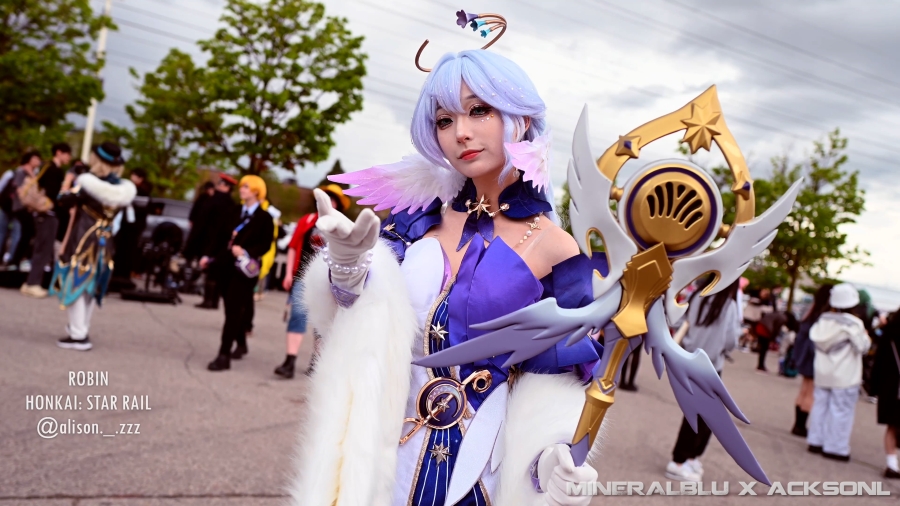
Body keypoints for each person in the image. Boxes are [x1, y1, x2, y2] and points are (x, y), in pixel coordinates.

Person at [288, 40, 604, 505]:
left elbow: (556, 384)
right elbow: (351, 320)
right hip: (381, 456)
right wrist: (345, 270)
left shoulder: (555, 246)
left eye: (479, 111)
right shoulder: (415, 221)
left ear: (520, 119)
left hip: (477, 471)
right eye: (444, 120)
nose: (461, 133)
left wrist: (554, 455)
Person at [50, 142, 136, 350]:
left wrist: (69, 179)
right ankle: (81, 328)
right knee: (92, 286)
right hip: (105, 241)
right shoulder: (122, 189)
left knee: (76, 283)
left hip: (84, 239)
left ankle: (78, 334)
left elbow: (62, 199)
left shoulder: (88, 185)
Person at [665, 278, 741, 482]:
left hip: (690, 360)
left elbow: (677, 322)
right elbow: (731, 340)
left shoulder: (696, 297)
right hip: (712, 366)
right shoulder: (729, 305)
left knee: (699, 413)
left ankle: (688, 457)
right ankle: (679, 461)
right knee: (705, 416)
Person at [274, 184, 348, 379]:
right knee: (297, 315)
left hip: (328, 280)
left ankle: (317, 361)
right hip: (303, 276)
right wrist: (288, 274)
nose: (327, 202)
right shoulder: (307, 220)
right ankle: (290, 360)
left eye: (332, 199)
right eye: (325, 197)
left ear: (338, 204)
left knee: (321, 321)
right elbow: (293, 247)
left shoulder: (342, 225)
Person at [206, 175, 274, 371]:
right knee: (230, 309)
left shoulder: (265, 218)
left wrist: (246, 251)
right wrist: (209, 256)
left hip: (245, 270)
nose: (241, 190)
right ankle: (241, 343)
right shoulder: (233, 211)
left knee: (234, 310)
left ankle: (223, 354)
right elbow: (219, 235)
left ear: (256, 191)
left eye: (246, 187)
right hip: (226, 266)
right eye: (242, 186)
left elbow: (265, 244)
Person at [807, 283, 871, 461]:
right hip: (845, 375)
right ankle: (835, 447)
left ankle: (815, 441)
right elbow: (862, 347)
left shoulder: (822, 320)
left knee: (820, 407)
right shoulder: (854, 323)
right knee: (841, 411)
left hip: (822, 373)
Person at [791, 284, 833, 437]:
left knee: (804, 390)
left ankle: (797, 424)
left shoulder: (810, 313)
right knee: (811, 392)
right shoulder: (824, 317)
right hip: (813, 357)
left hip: (804, 356)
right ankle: (801, 426)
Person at [196, 174, 239, 309]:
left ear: (228, 187)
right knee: (216, 271)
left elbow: (204, 219)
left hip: (213, 239)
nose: (219, 186)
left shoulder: (216, 201)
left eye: (222, 184)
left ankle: (209, 300)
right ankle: (213, 300)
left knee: (211, 270)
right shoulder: (231, 203)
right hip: (222, 241)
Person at [871, 310, 900, 478]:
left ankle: (892, 464)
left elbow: (879, 359)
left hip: (891, 385)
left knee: (892, 425)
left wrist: (874, 387)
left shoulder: (889, 332)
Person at [5, 150, 42, 269]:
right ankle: (14, 260)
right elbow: (19, 189)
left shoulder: (34, 172)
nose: (38, 161)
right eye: (36, 158)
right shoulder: (21, 171)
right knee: (23, 232)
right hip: (20, 206)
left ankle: (16, 259)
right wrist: (29, 202)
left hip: (27, 207)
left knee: (25, 232)